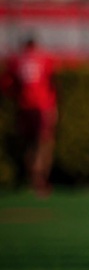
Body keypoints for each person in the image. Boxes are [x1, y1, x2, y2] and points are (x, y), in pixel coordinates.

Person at [2, 35, 59, 196]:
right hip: (42, 107)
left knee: (30, 144)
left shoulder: (16, 61)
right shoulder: (45, 59)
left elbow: (7, 85)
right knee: (43, 143)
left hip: (24, 107)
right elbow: (54, 82)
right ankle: (39, 180)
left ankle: (34, 180)